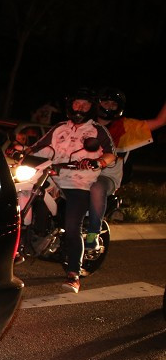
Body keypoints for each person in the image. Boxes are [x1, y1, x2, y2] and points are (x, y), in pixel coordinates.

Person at [27, 89, 117, 293]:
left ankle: (74, 273)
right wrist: (21, 151)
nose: (81, 108)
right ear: (71, 105)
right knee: (22, 195)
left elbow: (112, 154)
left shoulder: (96, 131)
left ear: (91, 108)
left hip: (78, 182)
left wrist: (98, 162)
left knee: (72, 225)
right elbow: (37, 147)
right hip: (51, 176)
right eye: (78, 104)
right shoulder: (59, 128)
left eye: (85, 105)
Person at [86, 87, 166, 245]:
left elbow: (160, 121)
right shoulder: (84, 123)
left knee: (97, 187)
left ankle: (93, 233)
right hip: (77, 172)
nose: (108, 106)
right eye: (105, 102)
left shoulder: (126, 127)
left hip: (105, 175)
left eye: (113, 104)